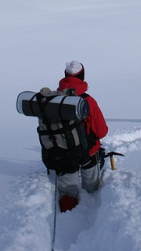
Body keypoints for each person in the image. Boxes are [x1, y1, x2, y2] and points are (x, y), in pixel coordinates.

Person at [54, 61, 108, 212]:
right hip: (87, 153)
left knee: (67, 194)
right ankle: (93, 212)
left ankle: (68, 213)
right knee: (92, 189)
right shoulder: (88, 101)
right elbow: (101, 131)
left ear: (65, 75)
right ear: (82, 76)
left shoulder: (54, 99)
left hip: (62, 153)